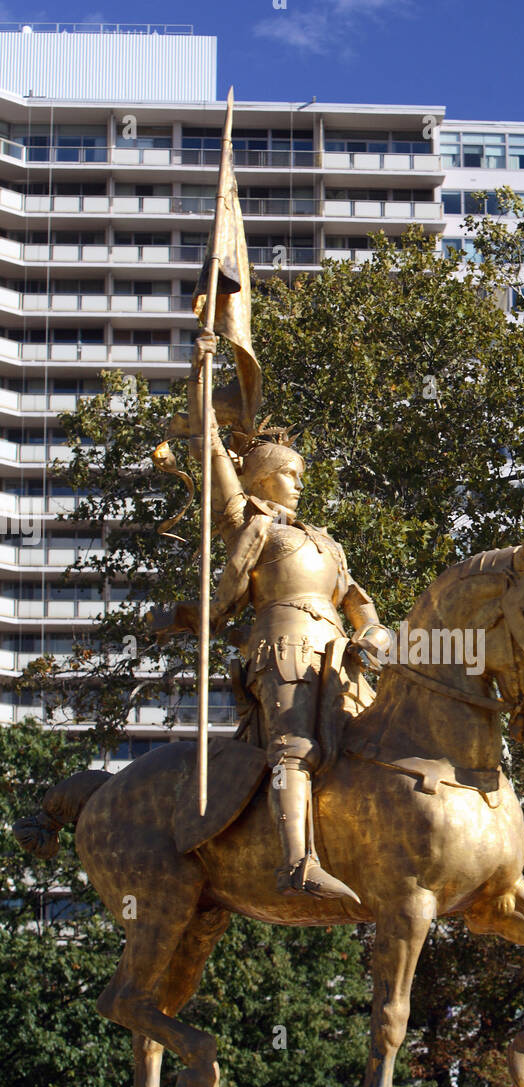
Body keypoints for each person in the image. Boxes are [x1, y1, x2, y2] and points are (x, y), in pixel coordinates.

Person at [167, 329, 389, 901]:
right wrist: (200, 372)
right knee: (294, 749)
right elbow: (210, 446)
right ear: (264, 478)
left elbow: (357, 599)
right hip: (283, 647)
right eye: (290, 475)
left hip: (340, 656)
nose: (298, 485)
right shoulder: (250, 521)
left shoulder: (325, 542)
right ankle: (297, 864)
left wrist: (375, 636)